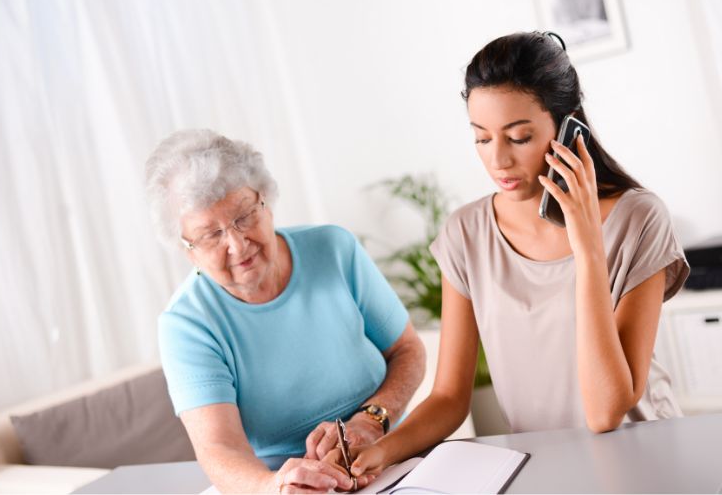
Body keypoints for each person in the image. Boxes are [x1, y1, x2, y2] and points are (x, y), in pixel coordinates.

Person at [326, 31, 690, 481]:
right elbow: (448, 398)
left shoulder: (639, 218)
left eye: (518, 137)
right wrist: (381, 452)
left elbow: (606, 411)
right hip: (543, 469)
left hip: (645, 463)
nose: (497, 160)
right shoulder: (466, 233)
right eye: (482, 138)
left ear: (568, 127)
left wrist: (588, 248)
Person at [144, 129, 425, 493]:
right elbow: (218, 448)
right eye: (210, 235)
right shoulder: (186, 324)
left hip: (392, 461)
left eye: (244, 216)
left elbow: (408, 350)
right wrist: (275, 486)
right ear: (188, 249)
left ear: (266, 201)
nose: (237, 244)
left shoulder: (334, 249)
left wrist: (372, 420)